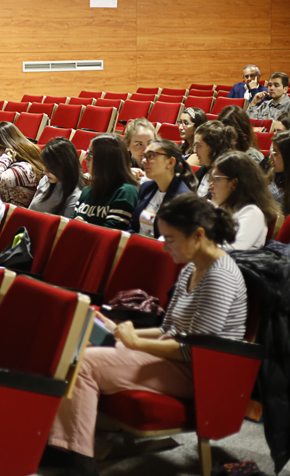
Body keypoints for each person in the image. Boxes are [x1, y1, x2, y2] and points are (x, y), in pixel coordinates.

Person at [47, 194, 247, 476]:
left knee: (86, 364)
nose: (164, 248)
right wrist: (121, 332)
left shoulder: (221, 276)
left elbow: (196, 351)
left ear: (199, 235)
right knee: (78, 346)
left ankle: (77, 459)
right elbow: (168, 329)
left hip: (201, 373)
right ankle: (62, 445)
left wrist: (136, 341)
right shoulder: (192, 267)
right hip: (176, 359)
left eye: (170, 239)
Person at [209, 151, 280, 251]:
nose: (211, 185)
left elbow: (230, 251)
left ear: (234, 184)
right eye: (211, 179)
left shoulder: (252, 213)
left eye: (216, 179)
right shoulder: (219, 208)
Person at [129, 140, 197, 239]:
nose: (144, 161)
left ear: (170, 162)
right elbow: (133, 226)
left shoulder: (183, 199)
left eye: (151, 156)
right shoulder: (146, 187)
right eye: (144, 156)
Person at [73, 134, 139, 230]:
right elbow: (73, 221)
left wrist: (83, 226)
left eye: (90, 154)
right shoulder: (87, 190)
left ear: (106, 159)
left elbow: (113, 233)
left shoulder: (125, 192)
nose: (85, 158)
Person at [0, 121, 44, 207]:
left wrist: (7, 155)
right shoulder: (19, 165)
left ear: (3, 146)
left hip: (16, 217)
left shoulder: (25, 168)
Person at [29, 137, 83, 218]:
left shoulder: (75, 196)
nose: (45, 171)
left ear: (65, 165)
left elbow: (63, 228)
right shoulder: (46, 179)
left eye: (50, 167)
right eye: (45, 165)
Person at [193, 121, 236, 199]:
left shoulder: (227, 178)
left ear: (213, 148)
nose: (195, 151)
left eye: (199, 146)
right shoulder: (204, 171)